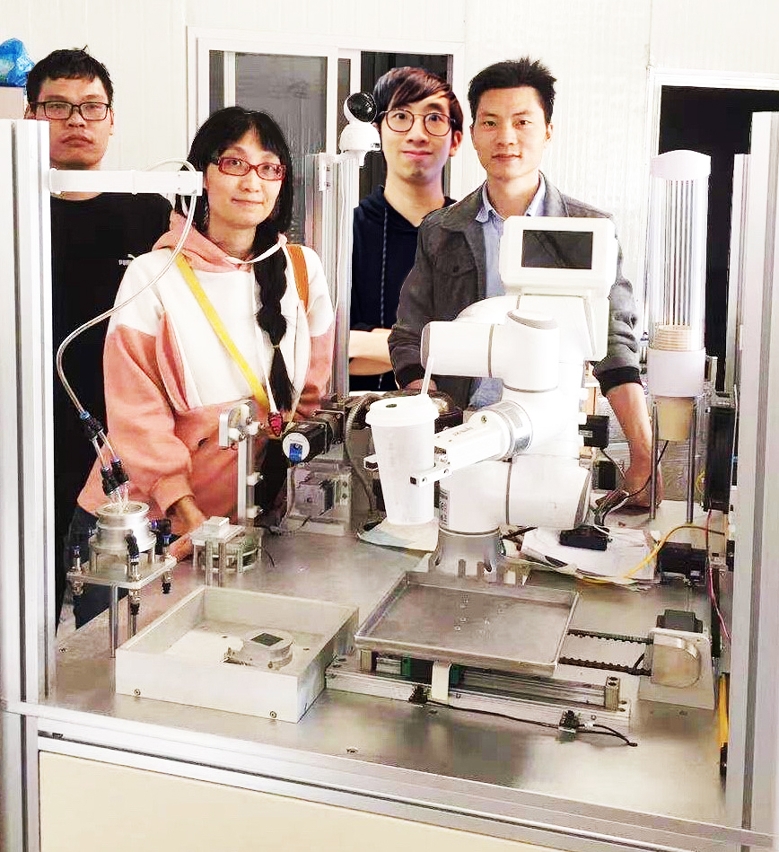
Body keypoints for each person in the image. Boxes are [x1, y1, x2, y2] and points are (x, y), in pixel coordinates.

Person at [69, 106, 335, 626]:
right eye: (233, 163)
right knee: (117, 667)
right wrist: (184, 509)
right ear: (199, 176)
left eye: (268, 167)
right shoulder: (154, 275)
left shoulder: (303, 270)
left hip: (238, 523)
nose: (252, 181)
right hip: (143, 526)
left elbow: (309, 397)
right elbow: (137, 417)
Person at [389, 57, 657, 507]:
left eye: (522, 122)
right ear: (472, 133)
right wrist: (430, 415)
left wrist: (643, 457)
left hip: (553, 439)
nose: (506, 137)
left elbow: (616, 346)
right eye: (490, 122)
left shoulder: (588, 230)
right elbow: (410, 337)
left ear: (547, 131)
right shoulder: (442, 230)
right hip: (461, 441)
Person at [25, 48, 172, 625]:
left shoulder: (149, 213)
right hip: (26, 432)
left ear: (112, 119)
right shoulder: (13, 213)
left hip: (118, 433)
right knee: (26, 589)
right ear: (30, 117)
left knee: (113, 598)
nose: (77, 120)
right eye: (57, 106)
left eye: (91, 106)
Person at [349, 67, 462, 391]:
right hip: (360, 412)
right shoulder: (346, 233)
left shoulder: (472, 232)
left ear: (455, 140)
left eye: (434, 118)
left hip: (454, 415)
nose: (417, 134)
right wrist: (437, 349)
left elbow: (476, 351)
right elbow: (336, 348)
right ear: (378, 132)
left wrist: (370, 342)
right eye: (400, 116)